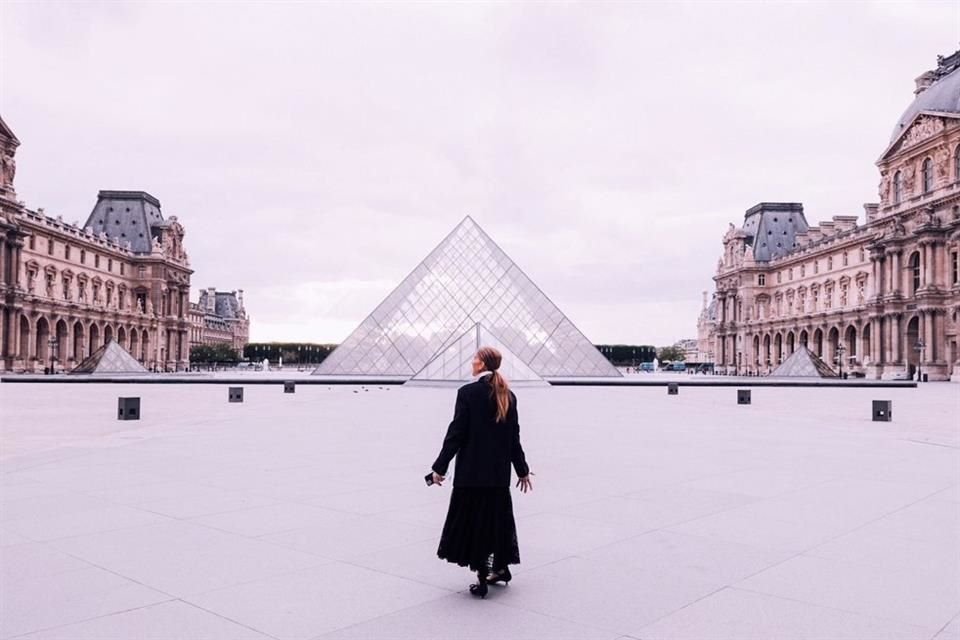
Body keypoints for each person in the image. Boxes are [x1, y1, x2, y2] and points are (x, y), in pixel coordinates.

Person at [429, 346, 533, 599]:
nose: (472, 360)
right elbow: (513, 439)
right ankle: (499, 568)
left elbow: (456, 435)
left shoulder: (467, 393)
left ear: (482, 364)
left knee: (473, 524)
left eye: (475, 358)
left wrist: (438, 468)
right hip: (497, 476)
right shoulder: (508, 394)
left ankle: (482, 578)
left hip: (471, 475)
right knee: (495, 523)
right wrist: (522, 471)